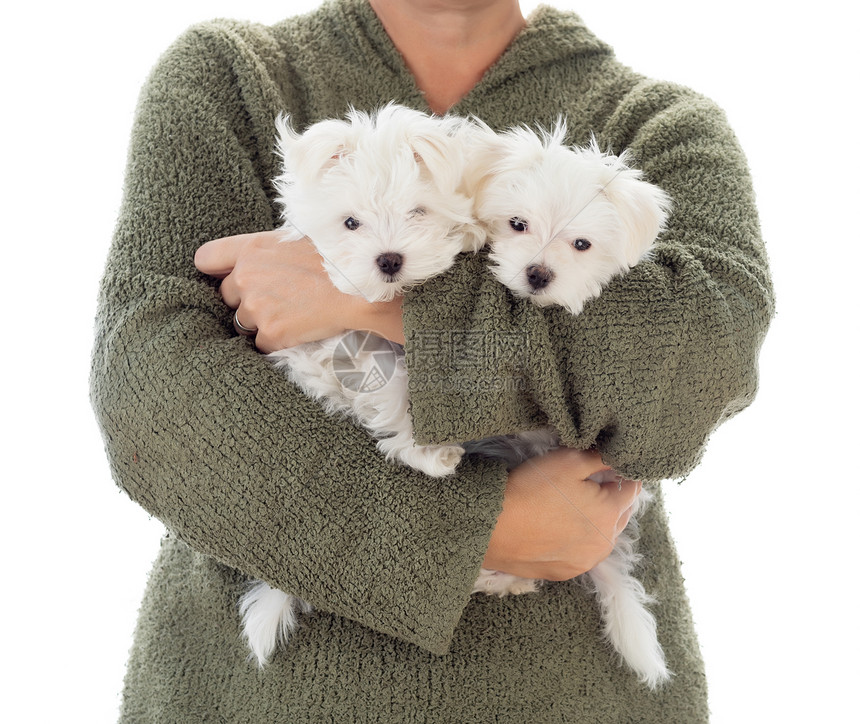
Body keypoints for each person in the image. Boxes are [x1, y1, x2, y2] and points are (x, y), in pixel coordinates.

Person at [90, 0, 773, 720]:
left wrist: (371, 302)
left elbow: (702, 362)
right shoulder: (232, 78)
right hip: (251, 699)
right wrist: (476, 530)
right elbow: (153, 396)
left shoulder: (662, 126)